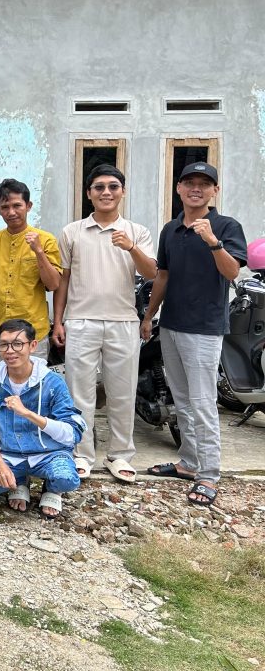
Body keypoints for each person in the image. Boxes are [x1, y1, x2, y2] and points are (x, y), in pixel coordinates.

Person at [141, 162, 246, 508]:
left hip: (204, 328)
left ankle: (209, 474)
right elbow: (163, 276)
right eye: (189, 182)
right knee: (181, 399)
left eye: (204, 183)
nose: (196, 188)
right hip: (171, 324)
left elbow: (232, 272)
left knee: (202, 402)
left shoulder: (226, 226)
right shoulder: (170, 229)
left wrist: (213, 242)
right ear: (179, 189)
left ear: (215, 190)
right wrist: (150, 315)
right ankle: (188, 463)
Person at [52, 165, 157, 482]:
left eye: (113, 186)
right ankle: (81, 454)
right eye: (99, 187)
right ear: (89, 193)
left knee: (122, 392)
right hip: (80, 320)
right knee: (79, 392)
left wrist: (131, 247)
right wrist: (58, 321)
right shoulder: (72, 231)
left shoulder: (137, 231)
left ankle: (120, 454)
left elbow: (151, 272)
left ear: (122, 192)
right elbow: (63, 280)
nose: (106, 192)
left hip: (123, 321)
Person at [0, 319, 85, 518]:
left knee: (67, 479)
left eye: (18, 344)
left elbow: (72, 434)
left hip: (49, 453)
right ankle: (19, 480)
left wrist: (27, 413)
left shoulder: (53, 382)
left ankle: (52, 489)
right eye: (4, 344)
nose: (10, 351)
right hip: (9, 454)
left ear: (33, 345)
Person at [0, 178, 62, 367]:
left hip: (33, 333)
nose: (11, 212)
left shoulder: (45, 240)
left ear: (28, 206)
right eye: (5, 207)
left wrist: (38, 252)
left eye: (17, 205)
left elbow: (54, 284)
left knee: (33, 383)